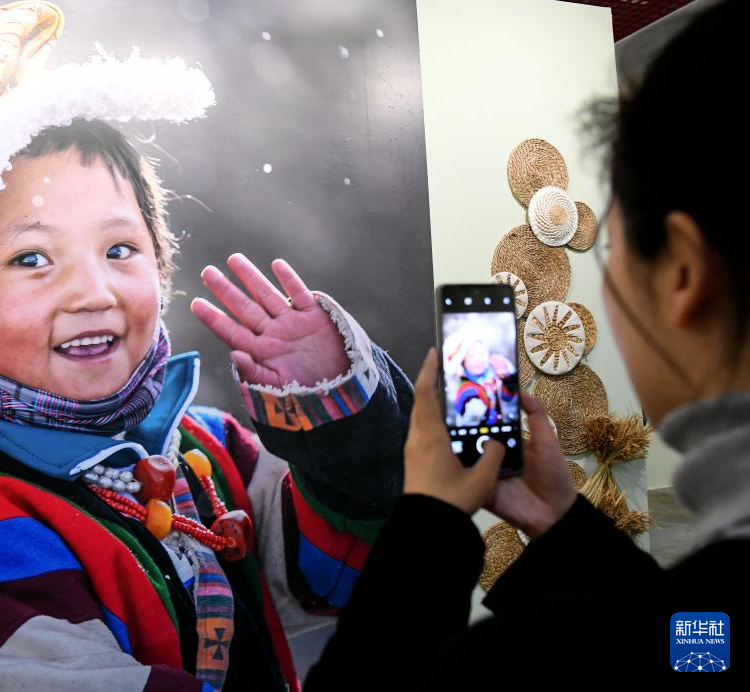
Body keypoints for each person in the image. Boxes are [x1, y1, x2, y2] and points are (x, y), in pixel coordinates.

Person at [0, 3, 412, 690]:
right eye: (31, 259)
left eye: (119, 249)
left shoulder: (200, 453)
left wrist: (337, 418)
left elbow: (355, 566)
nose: (94, 291)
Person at [305, 0, 746, 684]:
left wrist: (430, 519)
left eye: (613, 250)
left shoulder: (541, 657)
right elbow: (690, 646)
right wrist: (563, 523)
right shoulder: (707, 628)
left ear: (681, 275)